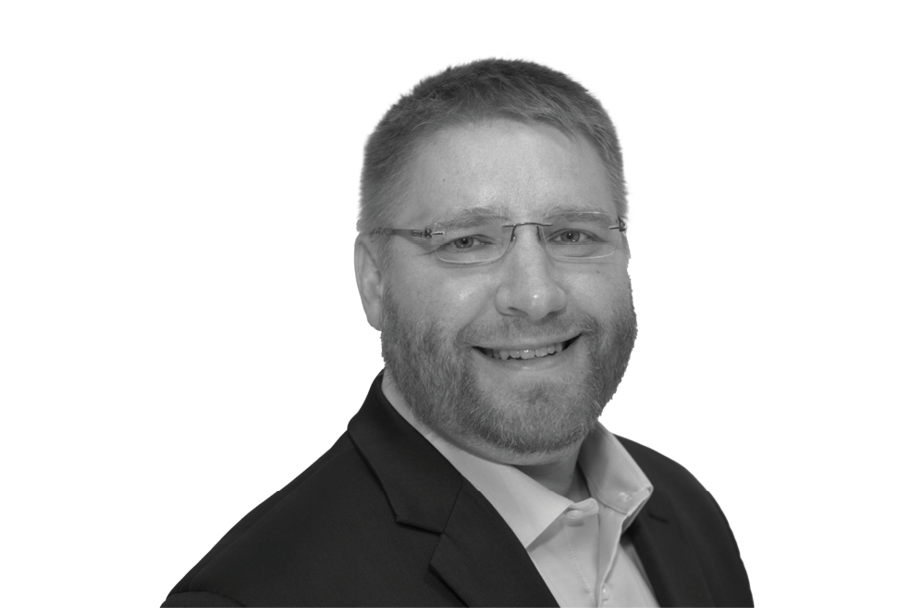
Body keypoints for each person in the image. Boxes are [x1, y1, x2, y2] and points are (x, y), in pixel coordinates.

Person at [162, 58, 753, 607]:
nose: (536, 297)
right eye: (467, 242)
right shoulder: (253, 596)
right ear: (374, 282)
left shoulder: (685, 512)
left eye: (573, 234)